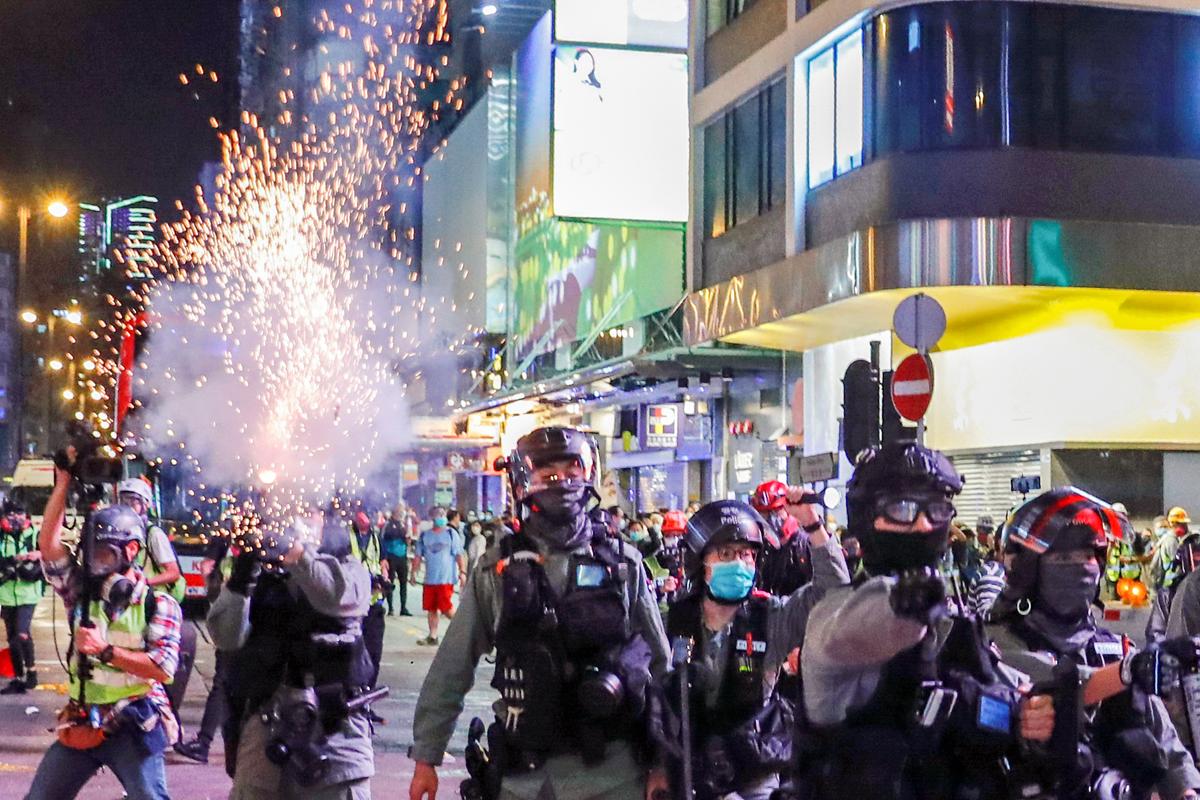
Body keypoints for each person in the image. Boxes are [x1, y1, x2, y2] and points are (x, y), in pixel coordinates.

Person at [408, 426, 670, 800]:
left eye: (572, 472)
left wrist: (662, 762)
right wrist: (426, 757)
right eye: (547, 475)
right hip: (524, 781)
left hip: (614, 775)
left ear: (589, 476)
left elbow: (660, 667)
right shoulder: (494, 571)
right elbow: (453, 665)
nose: (562, 483)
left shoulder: (623, 565)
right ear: (520, 485)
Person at [800, 442, 1057, 799]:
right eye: (901, 508)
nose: (922, 524)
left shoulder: (955, 617)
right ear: (864, 517)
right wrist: (908, 607)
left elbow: (1009, 683)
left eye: (936, 510)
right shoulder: (834, 616)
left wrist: (1029, 713)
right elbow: (865, 626)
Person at [988, 487, 1200, 800]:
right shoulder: (994, 645)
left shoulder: (1117, 648)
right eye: (1063, 557)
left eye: (1088, 556)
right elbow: (1048, 684)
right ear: (1028, 570)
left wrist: (1185, 790)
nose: (1082, 567)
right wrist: (1129, 672)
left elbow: (1165, 740)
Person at [647, 497, 849, 800]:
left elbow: (833, 591)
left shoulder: (772, 618)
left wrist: (813, 525)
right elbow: (654, 701)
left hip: (753, 773)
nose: (738, 564)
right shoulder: (670, 620)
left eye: (747, 555)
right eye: (726, 554)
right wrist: (657, 766)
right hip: (685, 771)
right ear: (699, 560)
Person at [26, 462, 181, 800]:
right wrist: (63, 481)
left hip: (132, 723)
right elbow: (49, 547)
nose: (95, 563)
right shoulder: (81, 590)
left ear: (131, 551)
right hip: (83, 721)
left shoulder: (160, 605)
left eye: (104, 553)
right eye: (91, 552)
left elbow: (163, 668)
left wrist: (104, 650)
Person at [209, 508, 377, 799]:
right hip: (264, 747)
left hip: (335, 748)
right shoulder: (258, 578)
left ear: (324, 522)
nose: (292, 523)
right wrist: (244, 575)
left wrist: (298, 554)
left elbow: (333, 595)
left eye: (306, 513)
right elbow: (225, 637)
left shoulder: (349, 569)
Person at [174, 536, 234, 764]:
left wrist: (217, 596)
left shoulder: (230, 532)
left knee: (223, 684)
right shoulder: (264, 534)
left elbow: (206, 566)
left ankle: (205, 743)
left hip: (233, 620)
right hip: (250, 621)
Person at [0, 504, 40, 694]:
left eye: (19, 513)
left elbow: (53, 552)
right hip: (7, 595)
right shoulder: (1, 535)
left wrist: (39, 554)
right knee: (13, 638)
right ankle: (20, 677)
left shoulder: (35, 533)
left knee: (21, 634)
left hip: (28, 593)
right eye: (10, 514)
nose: (15, 517)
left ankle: (29, 674)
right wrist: (14, 559)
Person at [411, 507, 463, 646]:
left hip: (445, 578)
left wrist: (462, 573)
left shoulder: (451, 534)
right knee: (432, 608)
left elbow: (458, 554)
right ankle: (433, 636)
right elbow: (417, 556)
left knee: (446, 608)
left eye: (442, 515)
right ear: (432, 518)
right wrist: (413, 573)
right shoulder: (425, 536)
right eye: (438, 515)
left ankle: (464, 631)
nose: (441, 518)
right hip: (430, 579)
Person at [350, 509, 388, 698]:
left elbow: (382, 562)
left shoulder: (375, 537)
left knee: (374, 653)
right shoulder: (345, 537)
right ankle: (353, 698)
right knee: (354, 657)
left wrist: (383, 579)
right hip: (352, 607)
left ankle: (367, 700)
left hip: (374, 604)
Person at [382, 504, 412, 616]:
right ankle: (390, 608)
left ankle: (403, 607)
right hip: (391, 555)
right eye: (399, 511)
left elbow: (407, 538)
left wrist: (407, 539)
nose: (401, 513)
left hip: (402, 556)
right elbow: (385, 537)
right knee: (390, 582)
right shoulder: (388, 524)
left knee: (404, 582)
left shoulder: (403, 524)